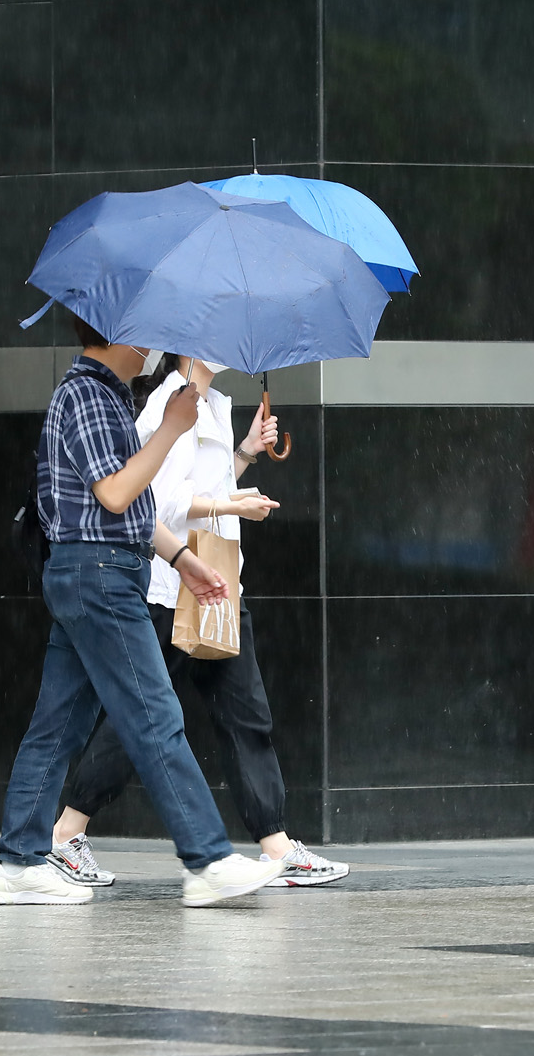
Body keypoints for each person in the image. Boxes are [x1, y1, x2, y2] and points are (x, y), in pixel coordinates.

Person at [0, 320, 286, 907]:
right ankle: (207, 858)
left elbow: (135, 508)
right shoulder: (88, 395)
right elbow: (116, 494)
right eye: (144, 337)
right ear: (121, 340)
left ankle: (18, 862)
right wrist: (172, 430)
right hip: (98, 577)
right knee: (153, 715)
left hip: (98, 572)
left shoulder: (107, 397)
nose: (152, 348)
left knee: (60, 724)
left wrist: (182, 560)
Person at [48, 354, 348, 888]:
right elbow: (159, 507)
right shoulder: (172, 402)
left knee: (245, 714)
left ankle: (276, 846)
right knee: (137, 720)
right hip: (176, 590)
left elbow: (203, 487)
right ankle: (66, 833)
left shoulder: (212, 404)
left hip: (218, 585)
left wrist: (245, 455)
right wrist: (233, 508)